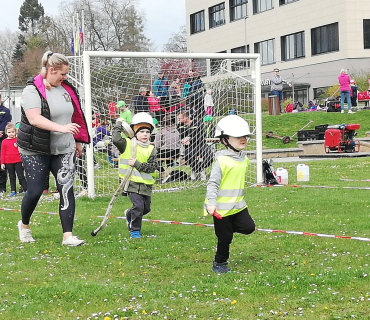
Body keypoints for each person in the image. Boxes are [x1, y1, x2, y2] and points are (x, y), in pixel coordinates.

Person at [16, 51, 90, 246]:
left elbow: (75, 116)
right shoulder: (32, 90)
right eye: (62, 74)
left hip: (64, 148)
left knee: (66, 188)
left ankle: (68, 236)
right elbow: (34, 118)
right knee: (35, 190)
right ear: (50, 70)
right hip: (35, 149)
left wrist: (77, 140)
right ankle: (24, 225)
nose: (65, 78)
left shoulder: (67, 89)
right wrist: (61, 128)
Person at [204, 115, 255, 274]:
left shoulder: (244, 159)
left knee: (249, 227)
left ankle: (226, 229)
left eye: (245, 136)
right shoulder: (221, 161)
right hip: (221, 209)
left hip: (238, 206)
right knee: (225, 239)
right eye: (238, 136)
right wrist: (211, 203)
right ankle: (219, 263)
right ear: (225, 140)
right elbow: (212, 184)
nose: (243, 139)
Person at [112, 112, 158, 239]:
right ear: (135, 133)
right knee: (138, 206)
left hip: (146, 185)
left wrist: (137, 164)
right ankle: (135, 230)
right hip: (131, 183)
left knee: (146, 208)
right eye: (141, 131)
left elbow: (152, 167)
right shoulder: (127, 144)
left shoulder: (151, 149)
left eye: (147, 132)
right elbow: (116, 139)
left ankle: (129, 214)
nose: (145, 134)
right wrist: (118, 125)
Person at [177, 110, 213, 181]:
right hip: (189, 147)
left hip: (200, 145)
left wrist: (189, 138)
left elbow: (202, 135)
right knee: (188, 156)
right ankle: (197, 170)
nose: (178, 120)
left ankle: (199, 168)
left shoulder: (197, 123)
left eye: (180, 118)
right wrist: (183, 140)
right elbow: (179, 136)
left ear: (186, 117)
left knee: (210, 157)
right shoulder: (179, 126)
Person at [0, 123, 28, 196]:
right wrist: (2, 163)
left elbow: (22, 151)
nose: (11, 134)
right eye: (9, 132)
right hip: (8, 162)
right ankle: (13, 191)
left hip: (18, 161)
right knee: (12, 177)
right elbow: (2, 153)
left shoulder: (18, 140)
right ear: (6, 132)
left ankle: (26, 189)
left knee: (21, 176)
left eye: (12, 132)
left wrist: (23, 160)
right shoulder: (4, 142)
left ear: (15, 132)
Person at [154, 114, 181, 178]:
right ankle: (169, 169)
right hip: (176, 152)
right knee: (168, 152)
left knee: (153, 160)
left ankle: (163, 172)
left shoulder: (161, 131)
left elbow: (157, 144)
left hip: (166, 151)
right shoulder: (177, 130)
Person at [0, 94, 12, 194]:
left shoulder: (5, 111)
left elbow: (5, 122)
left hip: (2, 140)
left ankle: (2, 187)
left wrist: (0, 131)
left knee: (2, 164)